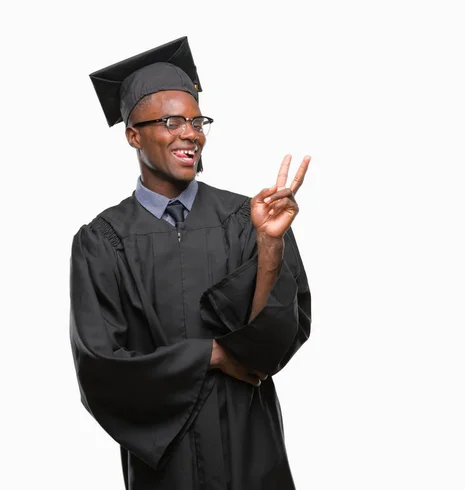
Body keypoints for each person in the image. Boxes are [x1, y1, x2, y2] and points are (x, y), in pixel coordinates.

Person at [70, 36, 311, 490]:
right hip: (166, 465)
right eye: (171, 121)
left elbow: (273, 346)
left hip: (252, 451)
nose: (190, 132)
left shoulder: (249, 219)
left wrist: (270, 246)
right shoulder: (102, 241)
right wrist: (212, 355)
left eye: (197, 120)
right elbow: (100, 367)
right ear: (133, 135)